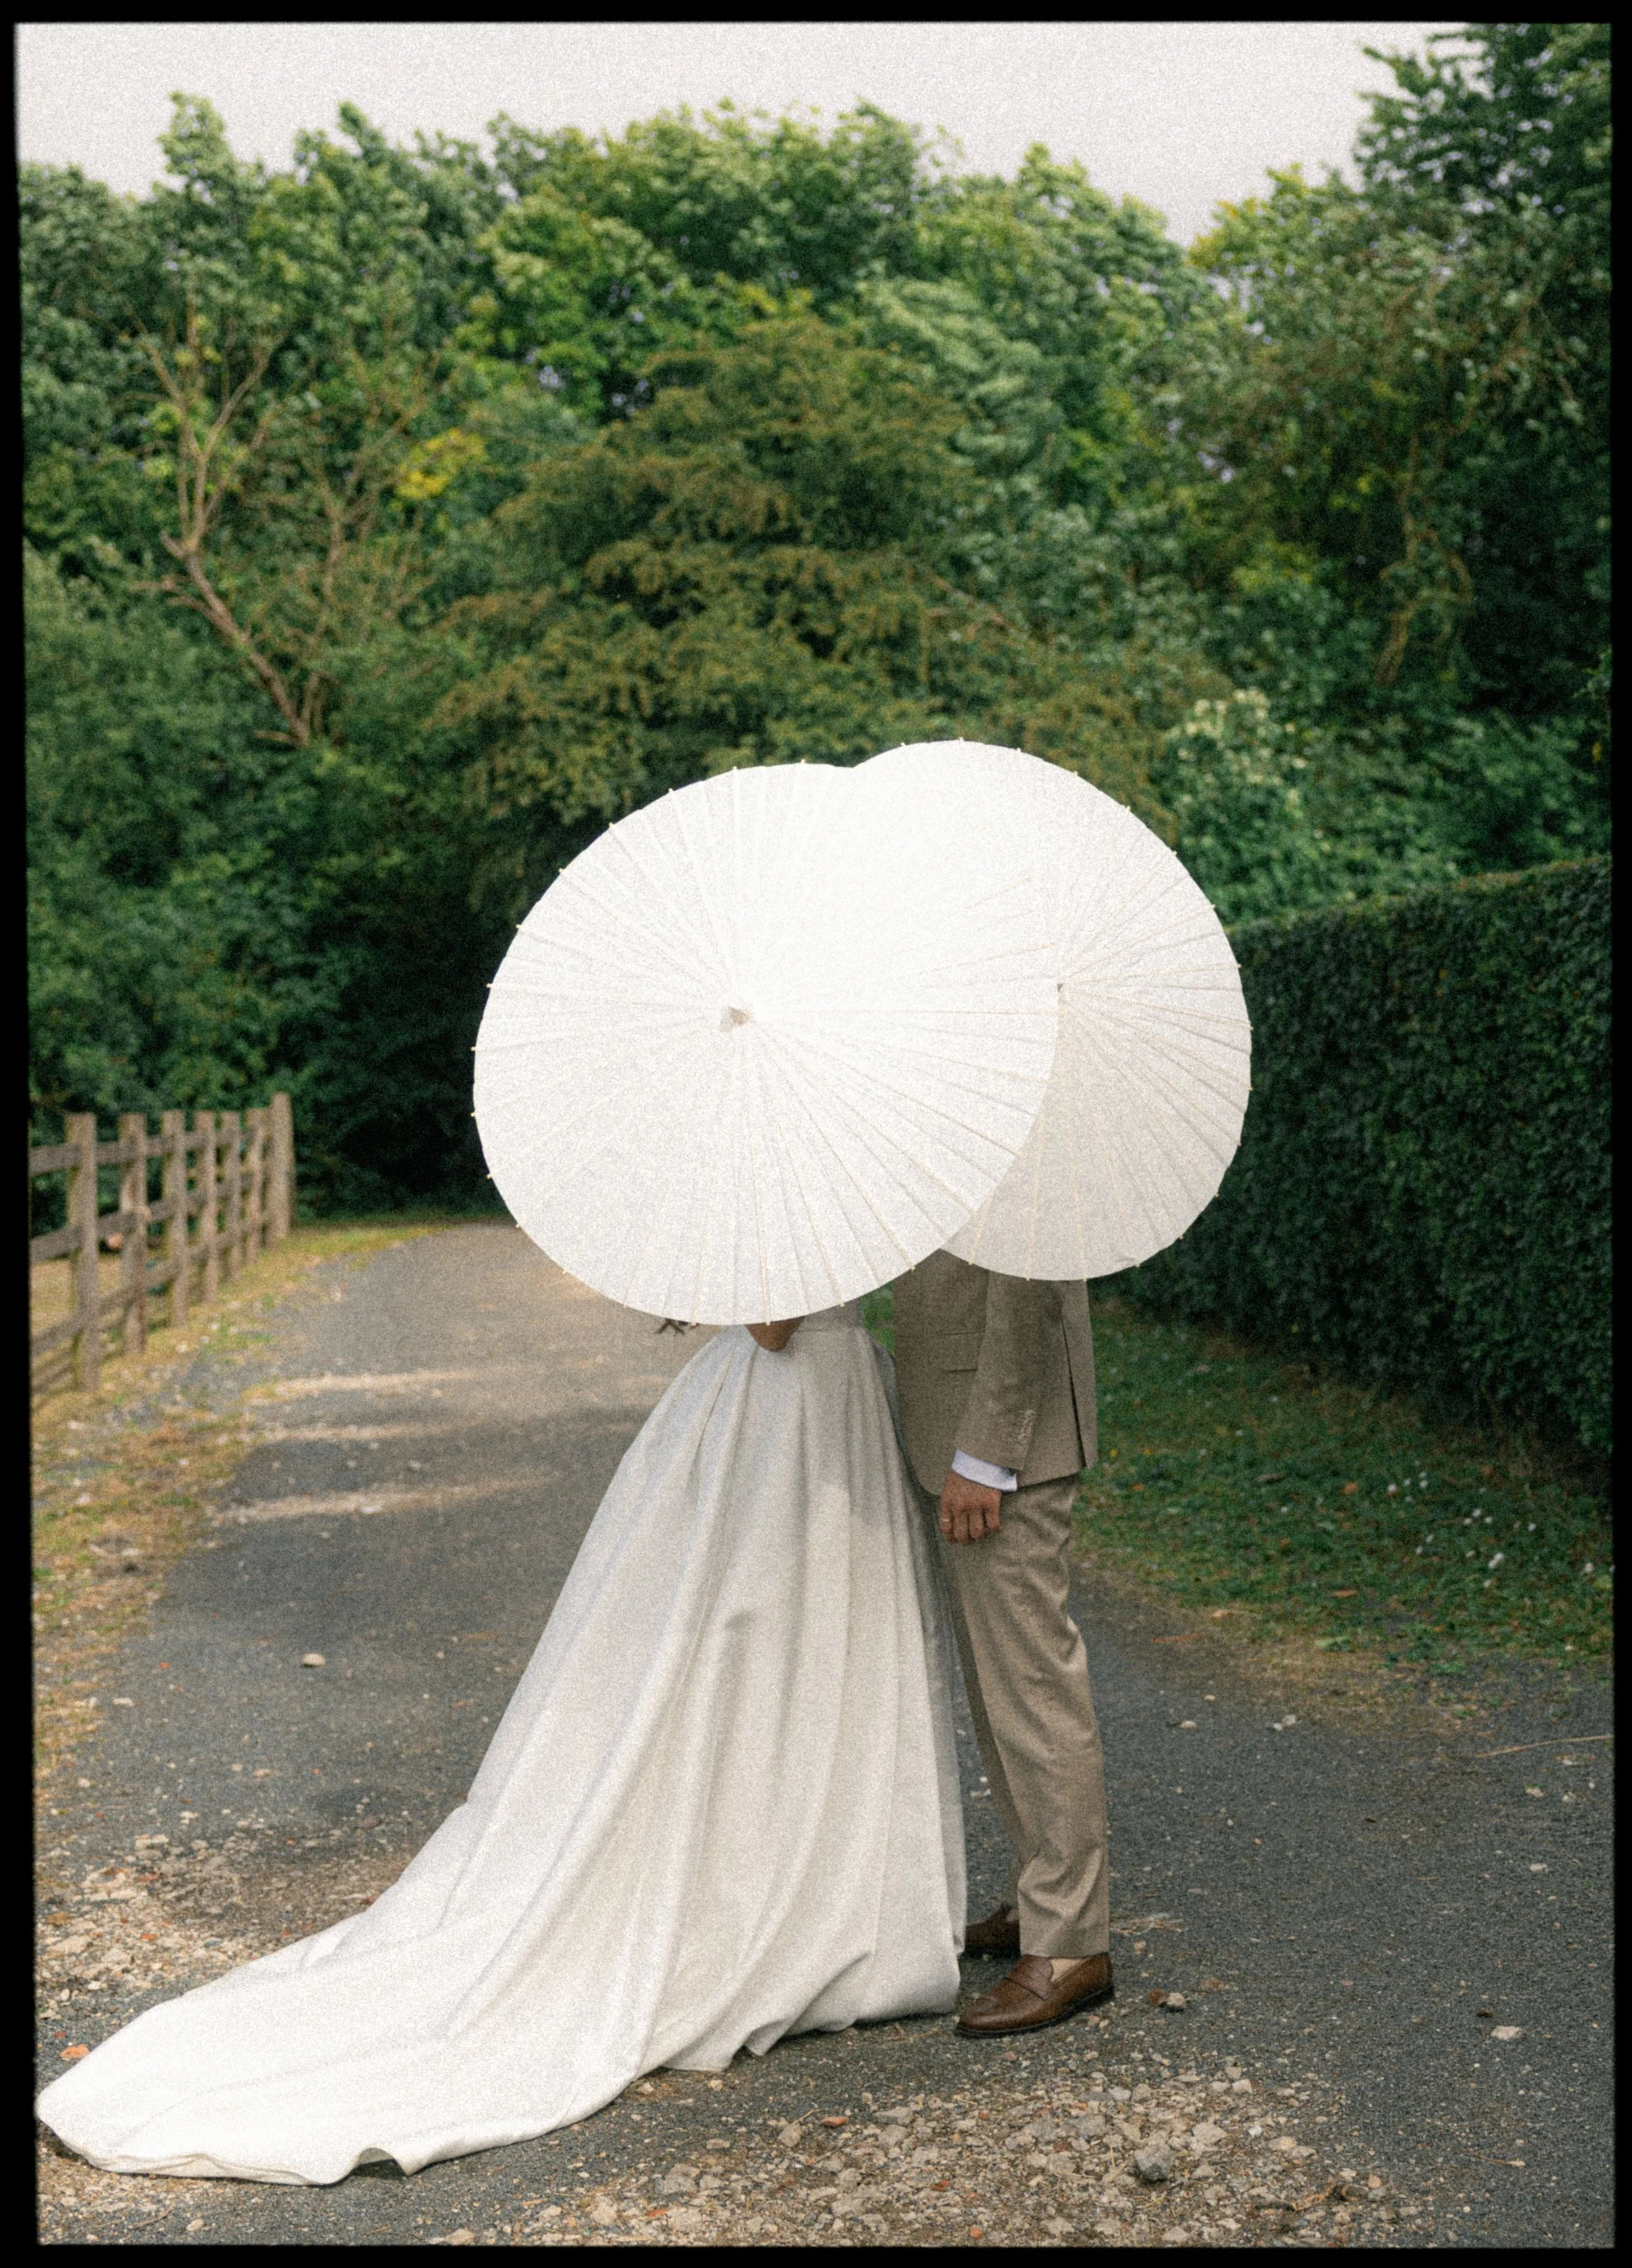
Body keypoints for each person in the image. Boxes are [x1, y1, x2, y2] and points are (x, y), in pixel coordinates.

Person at [37, 1302, 964, 2186]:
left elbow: (769, 1325)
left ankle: (786, 1888)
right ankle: (825, 1891)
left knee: (760, 1645)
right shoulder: (844, 1206)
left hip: (790, 1399)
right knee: (802, 1650)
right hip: (829, 1396)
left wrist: (724, 1282)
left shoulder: (784, 1187)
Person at [891, 1247, 1112, 2037]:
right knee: (999, 1689)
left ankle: (1070, 1945)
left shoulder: (1021, 1122)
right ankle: (1042, 1899)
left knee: (1030, 1683)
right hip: (954, 1424)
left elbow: (1029, 1279)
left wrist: (987, 1452)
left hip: (1004, 1443)